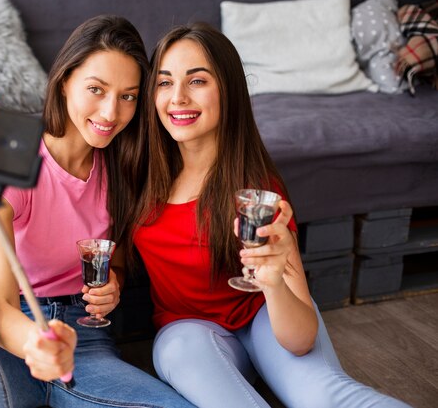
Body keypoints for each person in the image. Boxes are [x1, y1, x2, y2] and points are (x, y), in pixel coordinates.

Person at [0, 15, 195, 408]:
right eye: (96, 89)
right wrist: (39, 344)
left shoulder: (122, 169)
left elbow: (112, 259)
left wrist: (111, 283)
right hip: (7, 346)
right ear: (64, 81)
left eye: (128, 96)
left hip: (84, 345)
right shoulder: (10, 164)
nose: (111, 112)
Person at [131, 22, 413, 408]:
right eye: (164, 83)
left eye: (196, 81)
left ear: (227, 90)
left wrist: (275, 282)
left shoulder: (258, 193)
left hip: (266, 318)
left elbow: (299, 339)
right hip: (191, 336)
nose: (177, 97)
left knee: (326, 398)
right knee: (181, 350)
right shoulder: (138, 173)